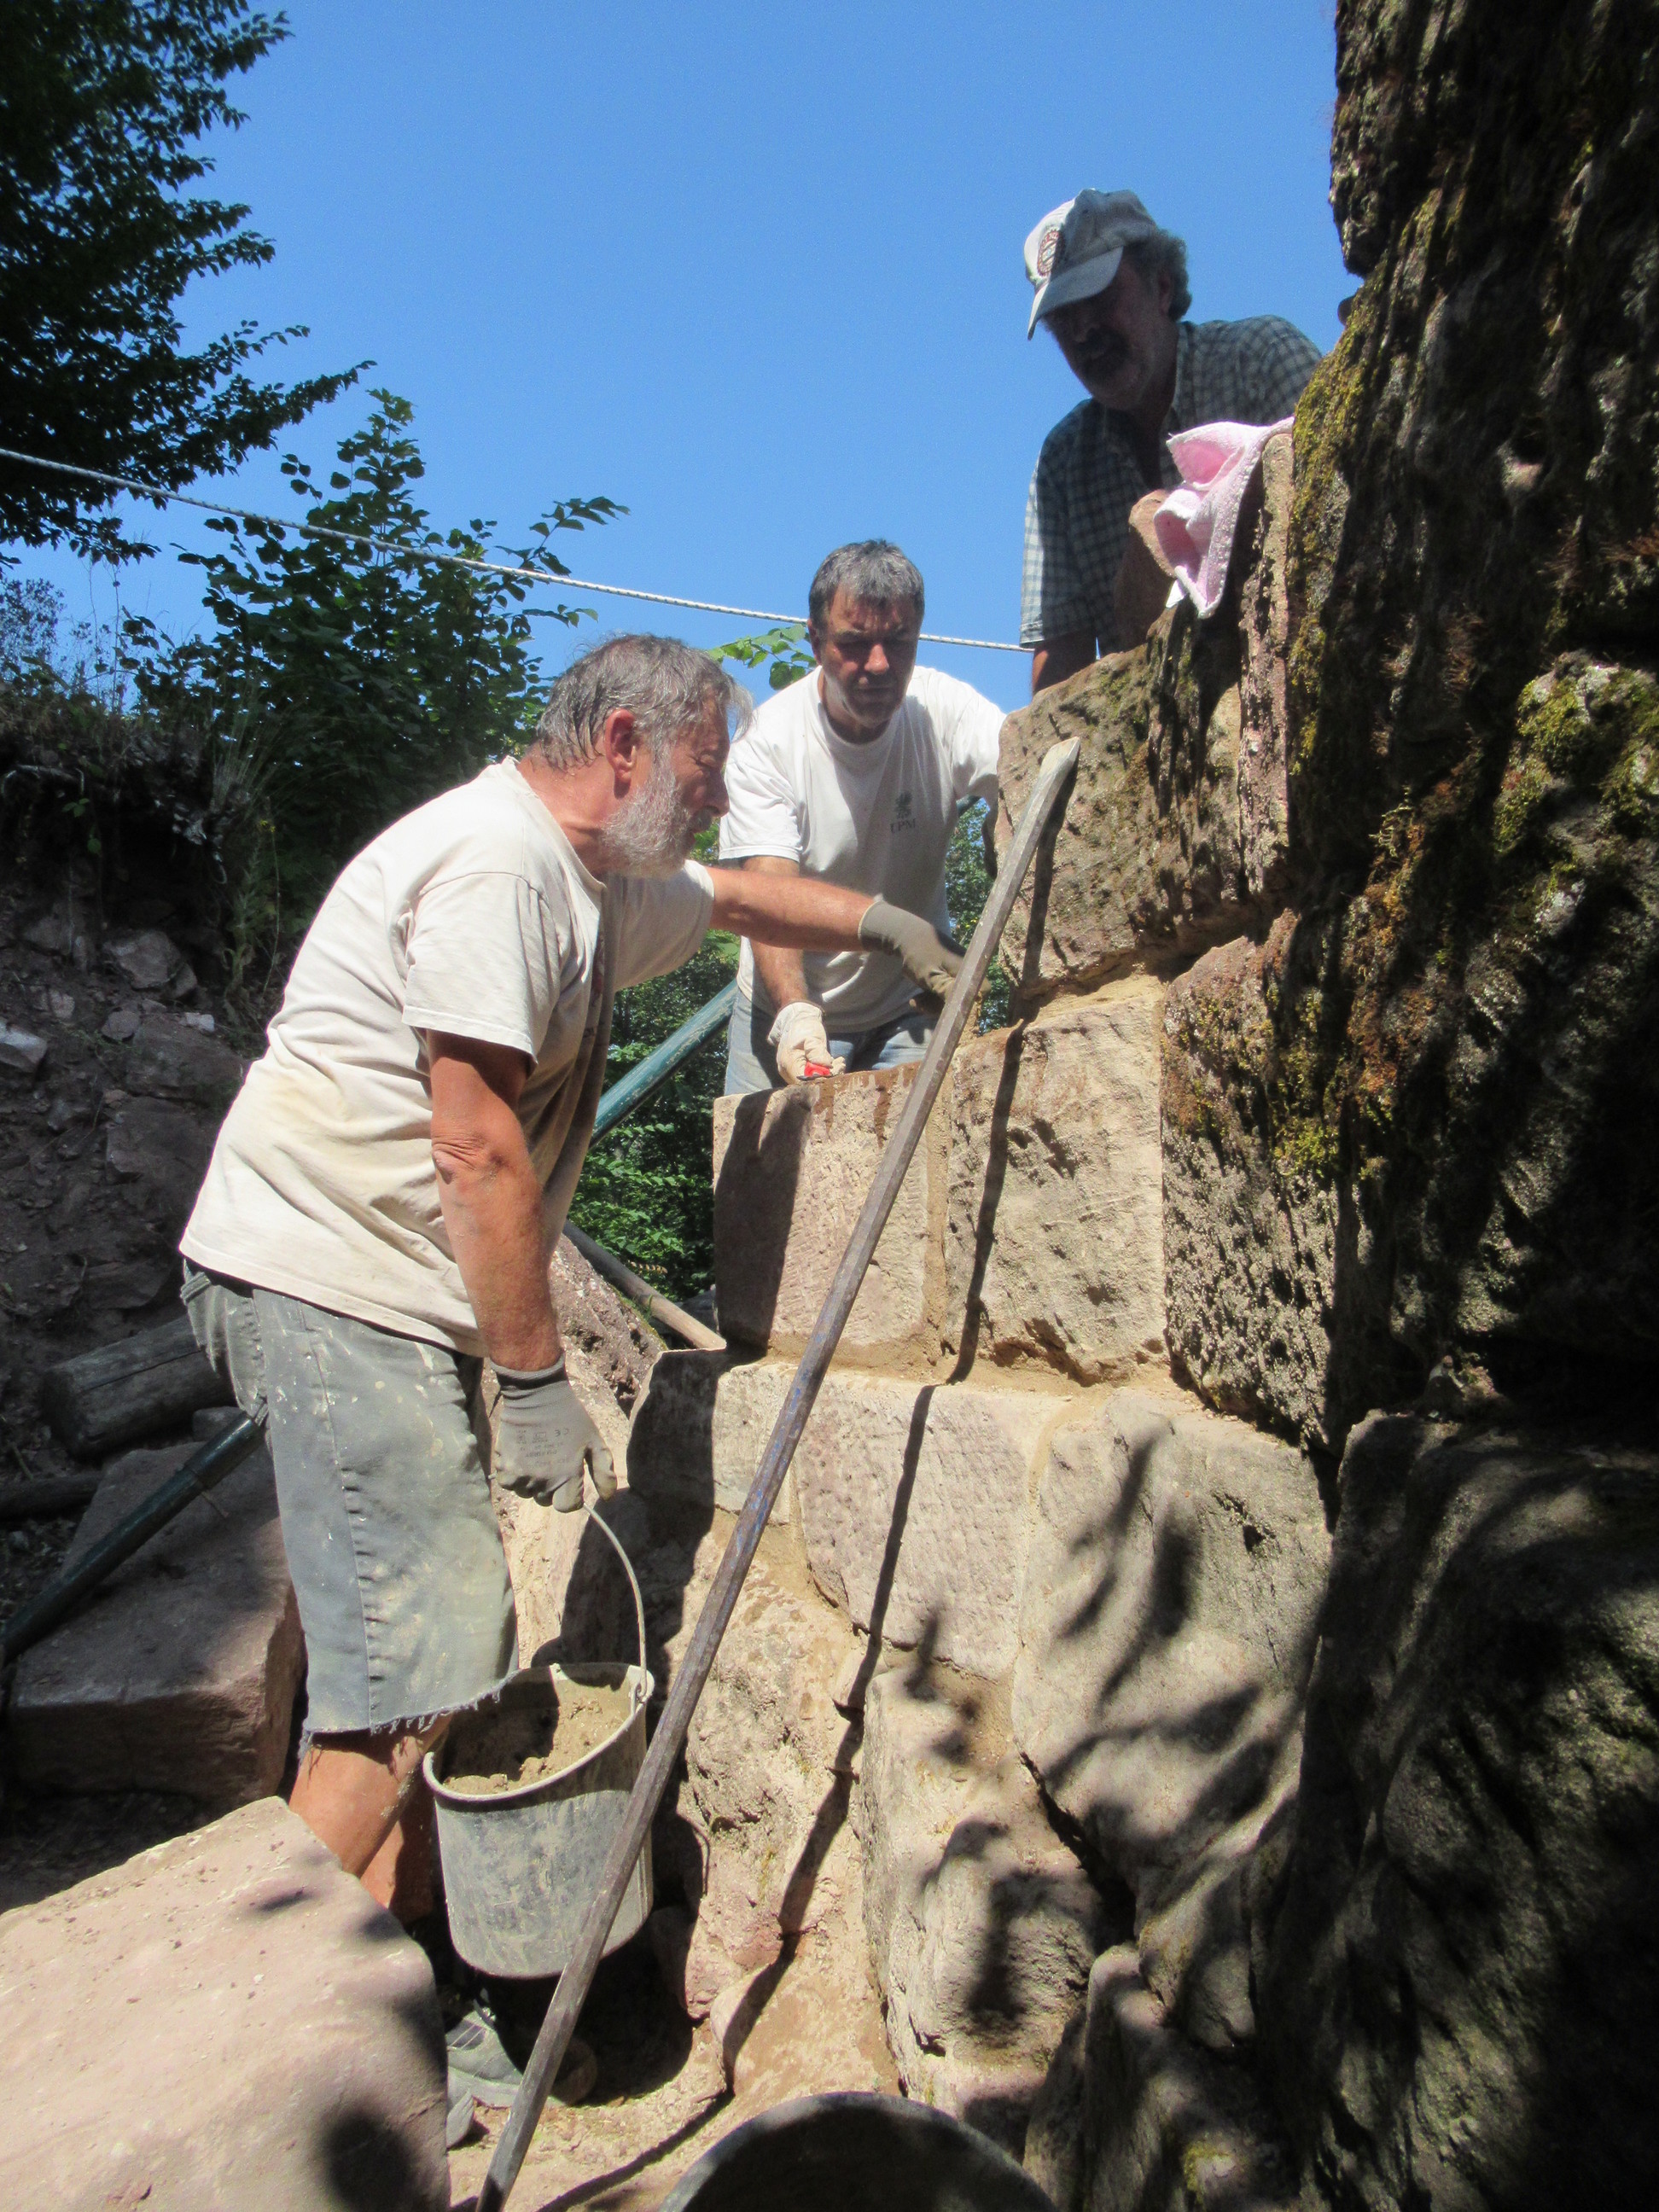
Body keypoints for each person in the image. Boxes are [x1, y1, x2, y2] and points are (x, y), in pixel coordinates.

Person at [175, 635, 961, 1924]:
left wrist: (886, 926)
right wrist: (536, 1379)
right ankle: (265, 2002)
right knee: (416, 1674)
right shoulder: (501, 867)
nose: (717, 794)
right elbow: (475, 1144)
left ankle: (381, 1967)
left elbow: (739, 898)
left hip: (378, 1289)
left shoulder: (594, 880)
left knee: (423, 1657)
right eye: (705, 767)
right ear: (624, 746)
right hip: (330, 1278)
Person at [719, 540, 1006, 1093]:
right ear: (815, 640)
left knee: (925, 1149)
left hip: (908, 1006)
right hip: (783, 1003)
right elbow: (767, 895)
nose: (878, 665)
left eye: (898, 642)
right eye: (853, 643)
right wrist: (795, 1015)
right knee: (768, 1152)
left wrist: (1003, 835)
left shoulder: (946, 712)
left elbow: (1028, 772)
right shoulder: (768, 743)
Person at [1020, 188, 1322, 694]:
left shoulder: (1261, 362)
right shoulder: (1063, 466)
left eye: (1100, 299)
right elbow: (1059, 662)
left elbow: (1347, 519)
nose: (1084, 333)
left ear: (1162, 286)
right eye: (1063, 320)